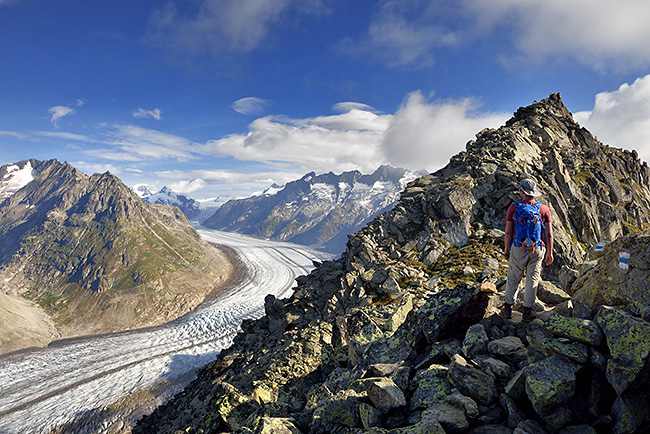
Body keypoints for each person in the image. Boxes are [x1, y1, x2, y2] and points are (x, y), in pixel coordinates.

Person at [502, 179, 554, 322]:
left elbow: (508, 232)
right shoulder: (543, 209)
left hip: (518, 247)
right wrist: (550, 252)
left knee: (514, 277)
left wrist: (507, 249)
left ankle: (507, 308)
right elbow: (549, 234)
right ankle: (527, 311)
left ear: (521, 192)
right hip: (537, 248)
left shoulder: (514, 207)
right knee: (532, 278)